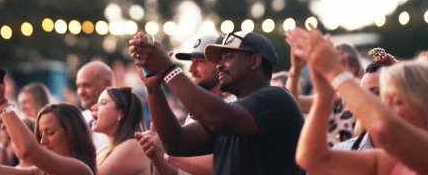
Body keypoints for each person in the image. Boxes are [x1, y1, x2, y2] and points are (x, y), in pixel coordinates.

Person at [289, 26, 428, 175]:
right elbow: (312, 159)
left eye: (398, 102)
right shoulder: (389, 161)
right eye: (385, 99)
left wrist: (335, 73)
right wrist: (323, 94)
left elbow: (384, 128)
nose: (386, 107)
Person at [129, 31, 304, 175]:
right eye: (219, 60)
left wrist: (168, 69)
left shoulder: (276, 98)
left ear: (255, 61)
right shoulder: (229, 111)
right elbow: (177, 144)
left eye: (228, 57)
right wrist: (154, 88)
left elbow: (224, 119)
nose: (220, 65)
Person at [136, 34, 234, 175]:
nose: (191, 69)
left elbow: (219, 166)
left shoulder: (235, 105)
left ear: (221, 65)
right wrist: (156, 155)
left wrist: (166, 155)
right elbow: (178, 173)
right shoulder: (197, 110)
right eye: (191, 61)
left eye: (200, 62)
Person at [0, 70, 96, 175]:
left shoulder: (80, 169)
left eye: (50, 133)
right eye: (40, 133)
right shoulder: (40, 172)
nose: (42, 141)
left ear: (71, 133)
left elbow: (28, 151)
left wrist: (2, 103)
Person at [286, 28, 363, 146]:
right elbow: (292, 102)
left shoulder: (364, 92)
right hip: (327, 161)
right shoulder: (328, 98)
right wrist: (296, 69)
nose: (332, 70)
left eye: (341, 62)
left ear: (354, 66)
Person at [332, 47, 397, 151]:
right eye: (363, 93)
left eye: (376, 92)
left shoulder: (421, 153)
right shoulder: (343, 151)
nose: (366, 99)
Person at [91, 87, 150, 174]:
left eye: (103, 103)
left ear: (121, 113)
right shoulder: (103, 149)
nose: (93, 107)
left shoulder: (133, 145)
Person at [76, 61, 115, 151]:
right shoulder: (77, 118)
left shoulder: (125, 121)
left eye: (86, 85)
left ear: (108, 84)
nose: (81, 92)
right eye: (78, 86)